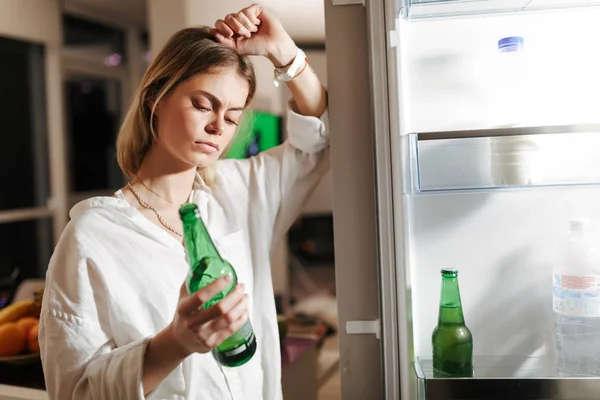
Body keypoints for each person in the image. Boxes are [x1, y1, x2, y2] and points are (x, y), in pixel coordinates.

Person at [39, 4, 329, 399]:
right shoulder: (93, 238)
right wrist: (175, 343)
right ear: (156, 97)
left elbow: (319, 139)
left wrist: (285, 54)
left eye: (231, 118)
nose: (216, 126)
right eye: (203, 104)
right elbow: (76, 391)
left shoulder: (239, 193)